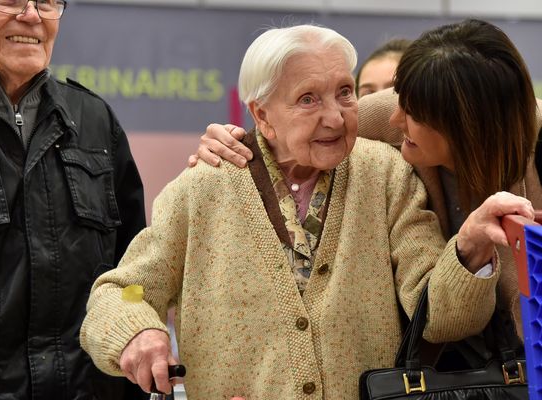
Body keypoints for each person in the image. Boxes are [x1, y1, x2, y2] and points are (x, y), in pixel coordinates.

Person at [80, 24, 533, 400]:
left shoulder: (386, 174)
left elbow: (438, 317)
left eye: (345, 92)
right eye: (308, 99)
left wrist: (469, 252)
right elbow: (128, 290)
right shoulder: (203, 188)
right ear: (262, 114)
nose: (335, 117)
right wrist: (137, 329)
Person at [190, 19, 542, 367]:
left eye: (413, 113)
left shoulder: (533, 146)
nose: (395, 119)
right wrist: (231, 143)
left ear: (465, 126)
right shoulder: (389, 110)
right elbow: (285, 126)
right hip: (432, 367)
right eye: (399, 99)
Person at [0, 0, 147, 398]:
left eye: (47, 2)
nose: (33, 16)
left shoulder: (95, 120)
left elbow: (135, 277)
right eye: (12, 0)